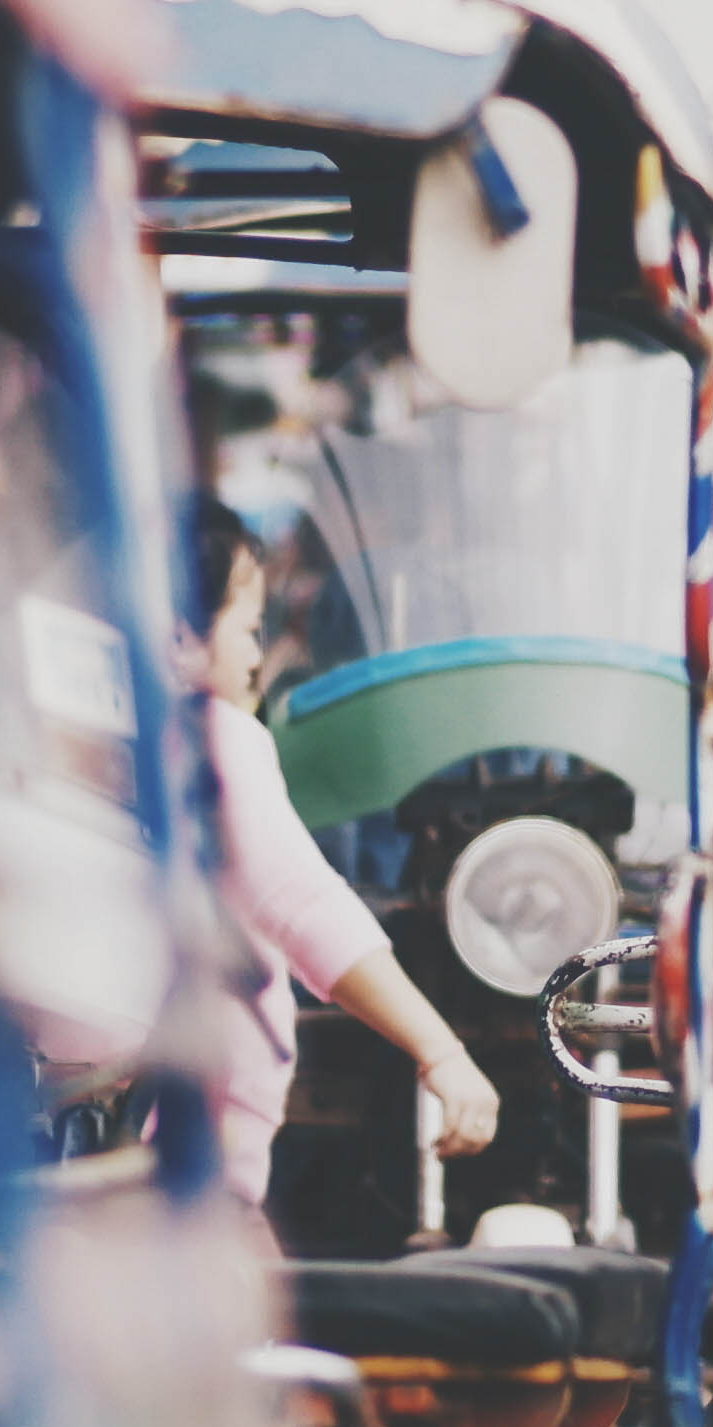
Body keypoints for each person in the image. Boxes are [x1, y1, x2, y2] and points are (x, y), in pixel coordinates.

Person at [179, 499, 501, 1209]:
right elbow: (301, 904)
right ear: (181, 639)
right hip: (185, 1143)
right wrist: (442, 1053)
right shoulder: (216, 738)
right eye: (250, 629)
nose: (260, 657)